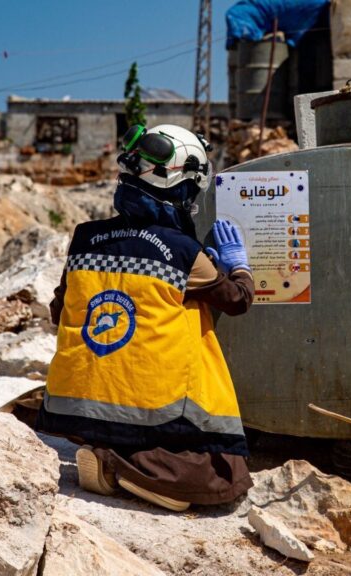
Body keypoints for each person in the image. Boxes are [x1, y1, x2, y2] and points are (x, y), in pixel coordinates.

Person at [38, 124, 255, 511]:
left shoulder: (84, 237)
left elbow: (60, 311)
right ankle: (117, 465)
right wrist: (239, 267)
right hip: (152, 412)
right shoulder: (184, 251)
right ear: (184, 185)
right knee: (224, 475)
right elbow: (237, 302)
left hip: (74, 410)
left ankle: (102, 448)